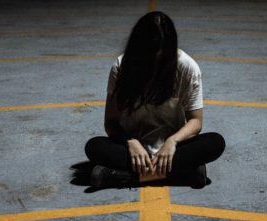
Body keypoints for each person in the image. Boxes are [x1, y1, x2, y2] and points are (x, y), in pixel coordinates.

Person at [85, 11, 225, 189]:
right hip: (133, 149)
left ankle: (122, 176)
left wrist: (172, 142)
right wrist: (131, 142)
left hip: (173, 150)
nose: (154, 64)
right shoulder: (121, 67)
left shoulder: (187, 68)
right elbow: (111, 123)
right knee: (94, 146)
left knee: (215, 142)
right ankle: (183, 173)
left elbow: (196, 121)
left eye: (160, 58)